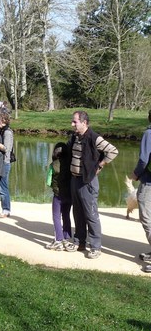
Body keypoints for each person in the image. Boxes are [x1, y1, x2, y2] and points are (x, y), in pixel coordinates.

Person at [64, 111, 118, 259]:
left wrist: (100, 166)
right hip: (75, 180)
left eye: (75, 122)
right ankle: (79, 241)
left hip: (88, 181)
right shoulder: (75, 136)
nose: (72, 124)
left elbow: (113, 151)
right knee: (78, 212)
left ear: (84, 122)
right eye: (73, 121)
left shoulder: (94, 138)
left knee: (91, 214)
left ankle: (95, 247)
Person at [130, 110, 151, 272]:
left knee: (147, 219)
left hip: (149, 183)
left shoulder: (149, 133)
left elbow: (144, 159)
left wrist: (136, 174)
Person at [45, 142, 72, 251]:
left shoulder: (53, 165)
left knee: (56, 216)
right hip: (69, 195)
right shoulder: (70, 164)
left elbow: (48, 182)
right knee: (66, 215)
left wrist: (53, 185)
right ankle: (66, 239)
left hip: (58, 195)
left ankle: (58, 240)